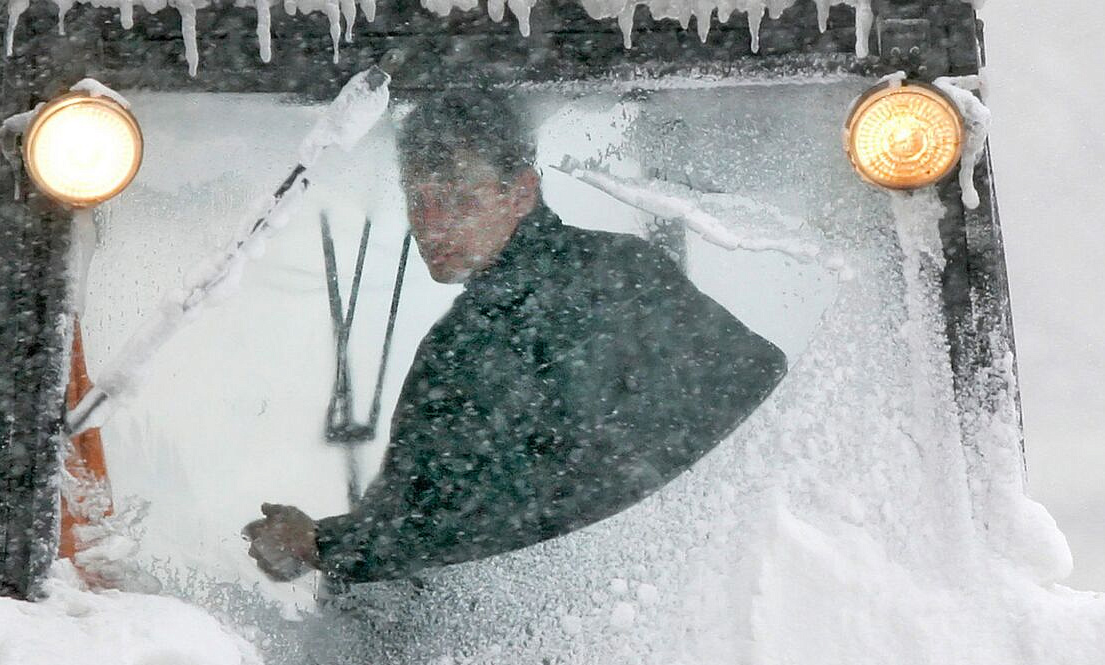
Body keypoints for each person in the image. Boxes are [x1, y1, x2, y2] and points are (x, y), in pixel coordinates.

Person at [243, 91, 786, 584]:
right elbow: (767, 392)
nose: (430, 225)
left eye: (458, 199)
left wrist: (321, 544)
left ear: (522, 192)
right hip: (686, 583)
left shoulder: (481, 342)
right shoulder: (623, 267)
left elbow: (481, 522)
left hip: (567, 623)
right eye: (418, 199)